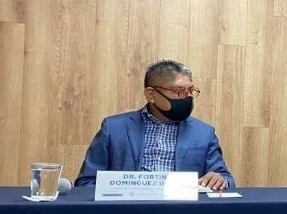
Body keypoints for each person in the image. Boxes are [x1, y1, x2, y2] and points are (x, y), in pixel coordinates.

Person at [76, 60, 234, 190]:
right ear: (151, 95)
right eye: (179, 91)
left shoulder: (204, 133)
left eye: (190, 91)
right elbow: (86, 183)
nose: (187, 97)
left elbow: (226, 179)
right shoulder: (113, 128)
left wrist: (219, 179)